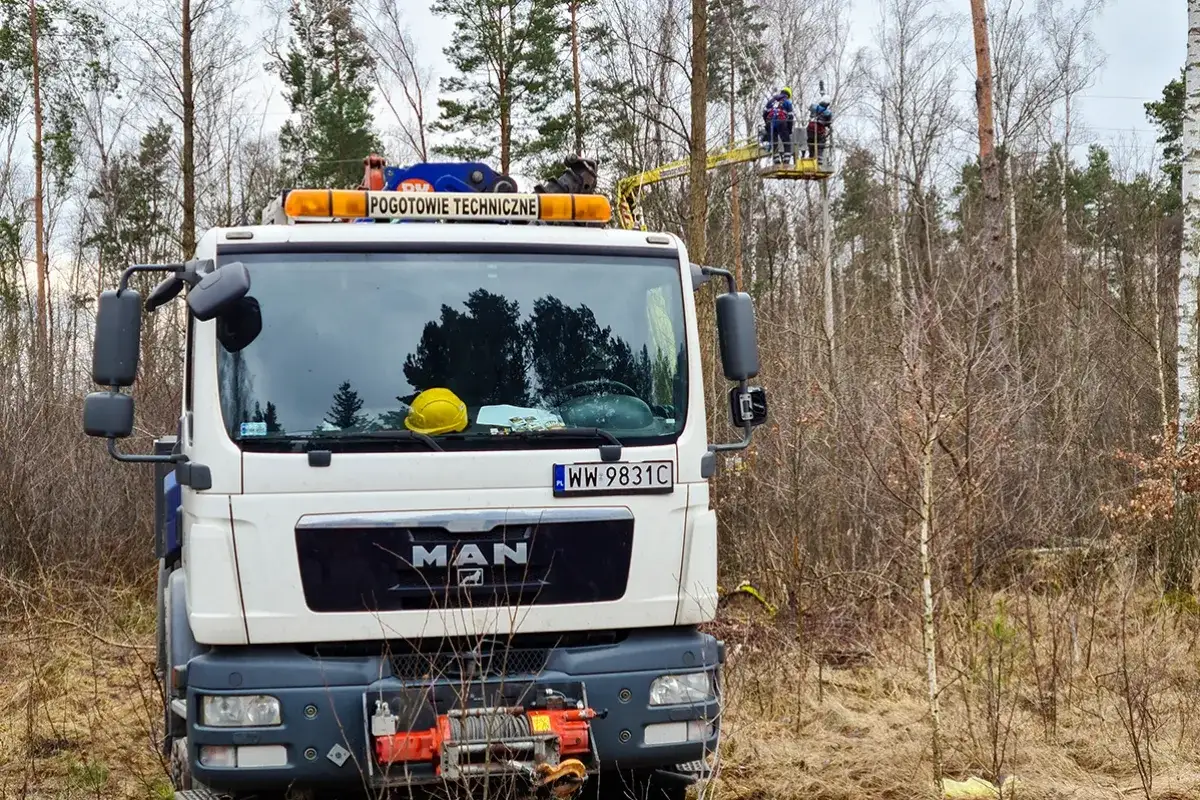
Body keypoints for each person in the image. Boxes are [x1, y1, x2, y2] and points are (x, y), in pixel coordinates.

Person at [762, 87, 795, 164]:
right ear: (788, 95)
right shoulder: (787, 102)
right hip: (781, 122)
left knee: (774, 142)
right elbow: (790, 117)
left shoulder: (771, 101)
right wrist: (789, 129)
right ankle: (786, 160)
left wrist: (767, 125)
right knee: (786, 141)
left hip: (770, 122)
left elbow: (764, 114)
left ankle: (776, 161)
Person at [807, 95, 833, 161]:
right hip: (819, 131)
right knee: (821, 144)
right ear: (827, 104)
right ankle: (819, 159)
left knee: (811, 143)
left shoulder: (813, 106)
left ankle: (811, 156)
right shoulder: (828, 113)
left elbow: (809, 109)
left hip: (810, 129)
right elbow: (828, 123)